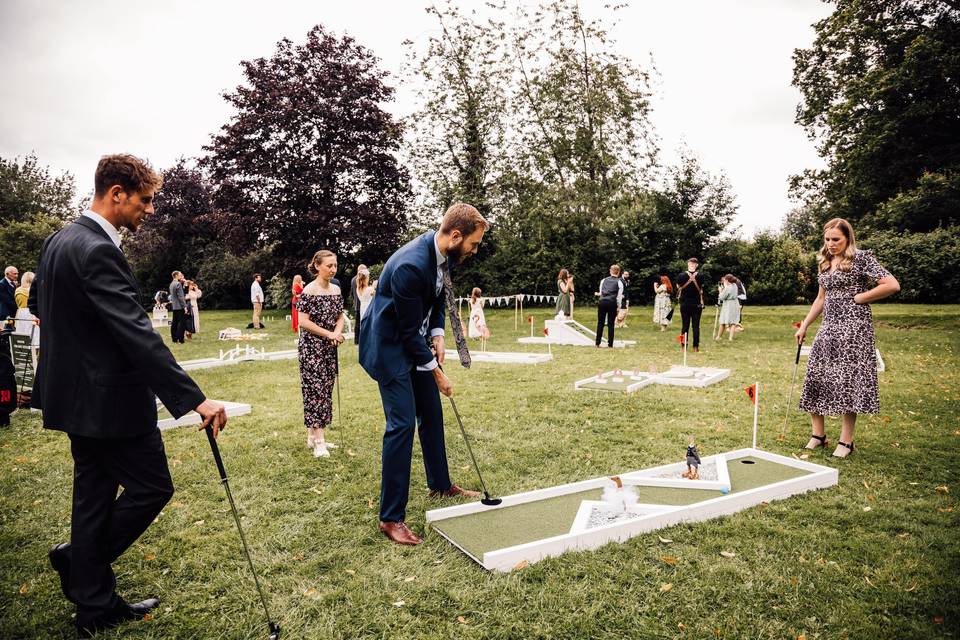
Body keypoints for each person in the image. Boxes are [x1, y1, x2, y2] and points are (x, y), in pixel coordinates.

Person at [28, 153, 227, 637]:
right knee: (153, 487)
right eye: (145, 200)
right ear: (115, 194)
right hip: (110, 402)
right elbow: (137, 334)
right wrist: (195, 399)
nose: (150, 209)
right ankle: (79, 562)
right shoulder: (97, 249)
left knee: (93, 497)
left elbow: (40, 306)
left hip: (76, 400)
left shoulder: (59, 240)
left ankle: (95, 606)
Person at [359, 202, 487, 546]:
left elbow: (436, 299)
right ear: (456, 235)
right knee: (401, 424)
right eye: (473, 244)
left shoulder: (441, 256)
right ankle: (390, 518)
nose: (474, 251)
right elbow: (403, 329)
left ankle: (441, 485)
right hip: (388, 347)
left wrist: (438, 334)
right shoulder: (410, 265)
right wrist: (437, 373)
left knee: (431, 411)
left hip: (412, 340)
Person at [796, 218, 899, 458]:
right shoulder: (825, 262)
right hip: (829, 326)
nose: (831, 244)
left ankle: (846, 441)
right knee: (816, 374)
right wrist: (804, 326)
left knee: (847, 381)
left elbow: (892, 284)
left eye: (836, 240)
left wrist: (861, 298)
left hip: (854, 328)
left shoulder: (860, 258)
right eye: (827, 239)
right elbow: (820, 299)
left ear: (847, 238)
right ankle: (818, 435)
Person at [296, 250, 345, 458]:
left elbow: (340, 315)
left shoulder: (335, 289)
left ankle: (311, 437)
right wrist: (329, 333)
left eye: (335, 266)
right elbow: (303, 321)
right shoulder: (309, 290)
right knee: (314, 392)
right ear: (317, 266)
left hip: (328, 348)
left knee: (325, 389)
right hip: (311, 348)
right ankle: (319, 442)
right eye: (329, 266)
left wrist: (337, 332)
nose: (333, 270)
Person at [676, 258, 705, 352]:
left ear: (688, 264)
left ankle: (683, 347)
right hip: (696, 304)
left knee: (684, 326)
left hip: (684, 304)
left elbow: (678, 286)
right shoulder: (701, 276)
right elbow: (702, 289)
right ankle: (696, 347)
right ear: (696, 265)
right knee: (696, 326)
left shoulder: (681, 275)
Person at [595, 265, 624, 348]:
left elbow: (601, 292)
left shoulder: (603, 280)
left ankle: (597, 343)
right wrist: (618, 307)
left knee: (600, 323)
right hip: (612, 302)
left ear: (610, 271)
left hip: (602, 301)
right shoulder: (619, 282)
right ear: (618, 272)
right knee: (611, 324)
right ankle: (610, 344)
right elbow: (619, 297)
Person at [715, 275, 740, 341]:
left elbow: (722, 297)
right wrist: (725, 287)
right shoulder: (734, 285)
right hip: (735, 304)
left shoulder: (728, 288)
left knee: (723, 321)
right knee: (733, 322)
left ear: (727, 280)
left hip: (728, 305)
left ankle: (718, 337)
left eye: (725, 280)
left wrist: (720, 291)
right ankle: (730, 338)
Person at [168, 271, 187, 344]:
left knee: (174, 323)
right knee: (181, 323)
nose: (181, 276)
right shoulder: (178, 284)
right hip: (179, 306)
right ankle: (181, 339)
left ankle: (174, 338)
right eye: (180, 275)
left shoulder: (171, 284)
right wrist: (184, 306)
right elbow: (181, 297)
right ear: (176, 275)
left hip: (174, 306)